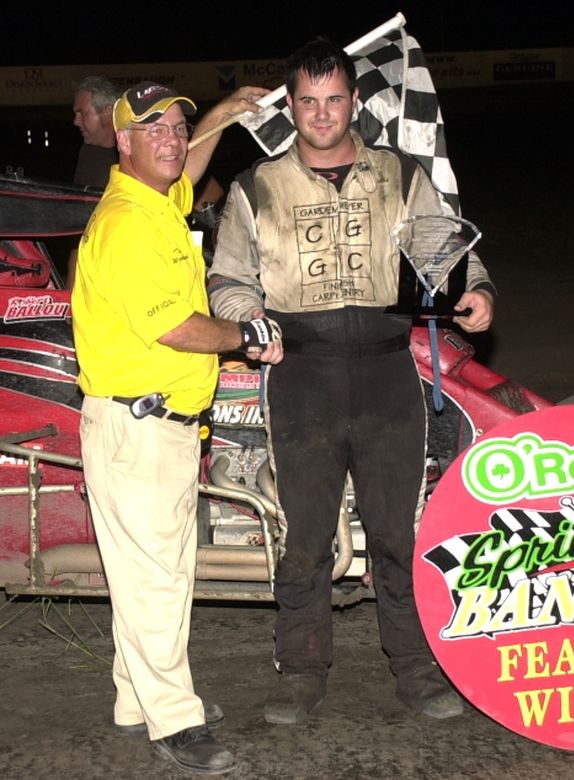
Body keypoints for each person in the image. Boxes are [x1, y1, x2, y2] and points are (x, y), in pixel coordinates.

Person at [207, 38, 496, 725]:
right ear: (293, 106)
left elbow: (447, 249)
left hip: (388, 369)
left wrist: (476, 290)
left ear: (354, 101)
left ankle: (417, 668)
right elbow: (226, 280)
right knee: (305, 536)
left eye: (334, 99)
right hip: (301, 375)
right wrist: (247, 316)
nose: (322, 113)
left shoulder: (400, 174)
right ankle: (301, 672)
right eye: (307, 101)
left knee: (400, 532)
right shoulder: (257, 188)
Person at [71, 81, 283, 775]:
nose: (170, 139)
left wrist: (220, 114)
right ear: (120, 141)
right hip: (138, 427)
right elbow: (177, 328)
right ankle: (174, 719)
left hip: (155, 427)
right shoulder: (128, 224)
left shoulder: (151, 201)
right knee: (158, 580)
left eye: (177, 126)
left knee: (148, 575)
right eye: (152, 129)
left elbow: (184, 169)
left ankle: (137, 699)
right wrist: (249, 335)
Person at [65, 76, 120, 291]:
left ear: (107, 112)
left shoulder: (139, 148)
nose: (75, 121)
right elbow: (79, 230)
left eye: (82, 113)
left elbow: (210, 189)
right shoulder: (89, 154)